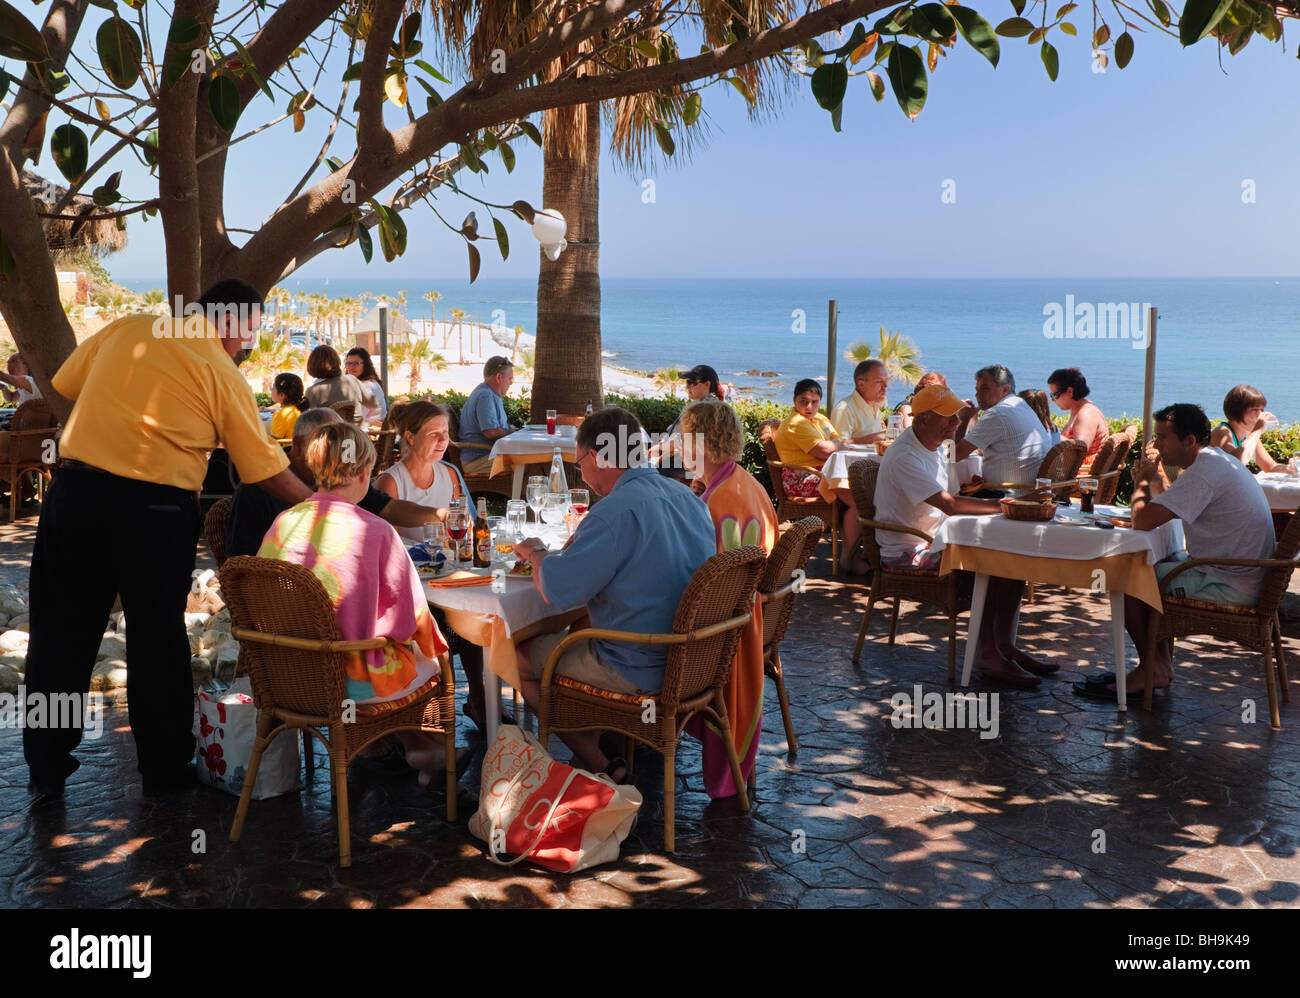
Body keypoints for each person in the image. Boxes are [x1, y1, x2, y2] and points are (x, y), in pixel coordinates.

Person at [24, 279, 312, 801]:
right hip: (154, 510)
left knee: (59, 635)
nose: (247, 345)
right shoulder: (219, 371)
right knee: (157, 639)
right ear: (232, 324)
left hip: (76, 492)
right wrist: (321, 504)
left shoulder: (130, 327)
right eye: (248, 333)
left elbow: (66, 384)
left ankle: (45, 766)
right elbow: (266, 469)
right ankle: (162, 770)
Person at [511, 407, 716, 783]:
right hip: (695, 662)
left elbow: (557, 590)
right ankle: (605, 734)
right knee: (580, 632)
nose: (581, 472)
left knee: (518, 658)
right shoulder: (691, 501)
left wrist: (536, 552)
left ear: (596, 457)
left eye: (579, 462)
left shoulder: (613, 513)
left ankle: (599, 763)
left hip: (637, 667)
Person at [257, 423, 459, 784]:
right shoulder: (375, 530)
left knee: (387, 649)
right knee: (430, 658)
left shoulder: (281, 522)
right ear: (365, 472)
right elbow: (408, 619)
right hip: (349, 685)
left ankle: (419, 746)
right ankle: (429, 748)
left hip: (286, 675)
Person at [1075, 403, 1276, 701]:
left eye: (1163, 437)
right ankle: (1160, 666)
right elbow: (1166, 508)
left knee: (1130, 581)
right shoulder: (1214, 462)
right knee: (1159, 564)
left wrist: (1141, 483)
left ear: (1190, 441)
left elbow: (1142, 521)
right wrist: (1154, 486)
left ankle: (1151, 669)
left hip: (1231, 584)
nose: (1156, 445)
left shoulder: (1204, 472)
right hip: (1243, 574)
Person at [874, 385, 1054, 688]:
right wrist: (1005, 505)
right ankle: (987, 653)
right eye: (947, 417)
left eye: (955, 416)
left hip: (933, 536)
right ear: (921, 420)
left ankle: (1003, 645)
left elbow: (952, 498)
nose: (955, 422)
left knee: (1013, 563)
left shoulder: (934, 447)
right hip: (906, 548)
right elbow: (950, 504)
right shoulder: (906, 454)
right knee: (992, 563)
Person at [678, 399, 778, 797]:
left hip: (717, 640)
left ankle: (630, 745)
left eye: (683, 438)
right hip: (746, 625)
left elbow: (692, 580)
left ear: (699, 443)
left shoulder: (715, 504)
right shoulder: (747, 485)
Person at [226, 407, 448, 559]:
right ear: (299, 444)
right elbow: (240, 560)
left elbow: (388, 507)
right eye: (329, 443)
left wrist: (439, 515)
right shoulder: (259, 488)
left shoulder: (341, 477)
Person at [774, 378, 869, 574]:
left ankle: (861, 552)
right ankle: (848, 558)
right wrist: (837, 445)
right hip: (801, 480)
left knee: (865, 490)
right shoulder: (796, 424)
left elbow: (837, 442)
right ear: (794, 400)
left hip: (821, 474)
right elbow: (824, 449)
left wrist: (838, 445)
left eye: (814, 402)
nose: (809, 406)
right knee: (857, 499)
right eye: (803, 401)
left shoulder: (820, 420)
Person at [375, 401, 476, 543]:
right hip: (412, 563)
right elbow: (391, 546)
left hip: (449, 560)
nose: (442, 440)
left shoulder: (449, 473)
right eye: (434, 434)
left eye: (445, 432)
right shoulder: (391, 482)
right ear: (411, 437)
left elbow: (464, 526)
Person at [954, 365, 1051, 497]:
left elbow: (954, 456)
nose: (978, 395)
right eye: (977, 390)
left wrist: (963, 418)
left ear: (1005, 389)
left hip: (1008, 495)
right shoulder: (1020, 405)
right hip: (1031, 490)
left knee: (951, 496)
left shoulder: (998, 413)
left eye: (985, 389)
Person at [649, 363, 725, 475]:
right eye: (687, 382)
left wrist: (659, 447)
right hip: (680, 455)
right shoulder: (702, 405)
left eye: (692, 382)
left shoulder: (706, 408)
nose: (687, 386)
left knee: (650, 472)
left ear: (706, 384)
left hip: (689, 461)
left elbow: (689, 440)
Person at [457, 355, 514, 474]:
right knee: (527, 465)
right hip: (477, 460)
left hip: (486, 454)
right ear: (498, 377)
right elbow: (491, 432)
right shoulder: (485, 396)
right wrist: (511, 432)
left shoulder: (490, 394)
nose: (511, 382)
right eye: (510, 378)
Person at [1210, 384, 1282, 473]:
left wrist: (1289, 469)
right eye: (1255, 410)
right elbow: (1234, 464)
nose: (1260, 415)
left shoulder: (1248, 434)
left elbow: (1270, 467)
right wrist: (1258, 431)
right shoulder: (1222, 433)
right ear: (1238, 411)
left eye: (1262, 410)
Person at [1048, 367, 1106, 472]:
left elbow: (1079, 450)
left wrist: (1052, 434)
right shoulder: (1080, 409)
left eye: (1055, 395)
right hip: (1075, 474)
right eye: (1051, 395)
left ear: (1070, 391)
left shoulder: (1086, 414)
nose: (1052, 400)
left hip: (1081, 478)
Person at [304, 344, 374, 420]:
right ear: (337, 362)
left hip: (332, 431)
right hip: (357, 430)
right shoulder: (352, 379)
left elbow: (311, 422)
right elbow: (373, 404)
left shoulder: (312, 392)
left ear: (311, 365)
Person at [830, 359, 888, 445]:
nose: (885, 386)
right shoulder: (844, 410)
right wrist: (874, 438)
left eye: (886, 380)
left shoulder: (874, 405)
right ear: (861, 384)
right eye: (879, 382)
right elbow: (838, 447)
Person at [345, 346, 388, 425]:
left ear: (366, 365)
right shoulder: (359, 383)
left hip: (371, 431)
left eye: (356, 363)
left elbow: (359, 416)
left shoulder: (367, 385)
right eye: (349, 363)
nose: (351, 367)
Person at [269, 372, 307, 440]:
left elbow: (274, 440)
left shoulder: (282, 415)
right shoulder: (297, 409)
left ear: (282, 395)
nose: (271, 390)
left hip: (286, 449)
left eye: (273, 387)